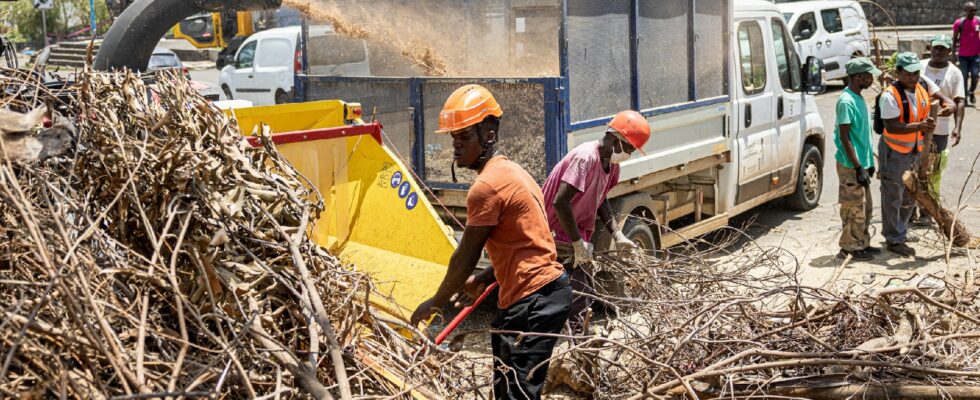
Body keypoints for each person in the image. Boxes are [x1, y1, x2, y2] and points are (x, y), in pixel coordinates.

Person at [410, 85, 571, 400]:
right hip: (541, 295)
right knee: (507, 387)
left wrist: (436, 302)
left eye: (464, 138)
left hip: (534, 300)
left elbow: (464, 257)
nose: (456, 148)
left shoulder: (487, 186)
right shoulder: (514, 172)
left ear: (489, 135)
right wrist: (482, 280)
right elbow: (524, 246)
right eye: (453, 138)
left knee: (517, 394)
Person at [541, 110, 649, 330]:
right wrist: (577, 243)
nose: (629, 154)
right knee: (579, 292)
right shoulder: (585, 158)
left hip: (572, 232)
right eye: (628, 148)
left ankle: (573, 338)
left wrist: (617, 234)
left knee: (578, 291)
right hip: (553, 232)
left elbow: (601, 199)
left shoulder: (612, 165)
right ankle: (578, 341)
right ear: (615, 138)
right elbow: (560, 202)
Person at [877, 52, 955, 258]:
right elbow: (892, 126)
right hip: (894, 152)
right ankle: (893, 238)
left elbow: (944, 100)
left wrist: (949, 106)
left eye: (916, 73)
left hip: (914, 151)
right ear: (899, 72)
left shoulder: (921, 88)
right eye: (909, 74)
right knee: (893, 194)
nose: (913, 77)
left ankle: (900, 231)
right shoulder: (890, 96)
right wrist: (920, 126)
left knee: (910, 194)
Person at [915, 34, 967, 226]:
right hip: (916, 127)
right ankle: (911, 208)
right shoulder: (919, 67)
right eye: (935, 48)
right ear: (931, 48)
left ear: (949, 52)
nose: (937, 52)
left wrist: (958, 127)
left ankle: (928, 210)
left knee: (933, 170)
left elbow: (959, 101)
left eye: (942, 49)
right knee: (914, 166)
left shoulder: (954, 73)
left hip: (940, 130)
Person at [834, 58, 881, 262]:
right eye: (869, 76)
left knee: (865, 207)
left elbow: (862, 135)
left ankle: (862, 242)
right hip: (851, 164)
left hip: (862, 163)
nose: (872, 79)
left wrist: (868, 164)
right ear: (859, 77)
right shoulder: (846, 101)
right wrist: (858, 166)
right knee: (853, 206)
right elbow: (845, 137)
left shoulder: (858, 97)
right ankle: (850, 246)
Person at [953, 2, 980, 105]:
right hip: (963, 55)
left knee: (975, 76)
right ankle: (964, 97)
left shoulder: (978, 21)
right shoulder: (959, 23)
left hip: (975, 55)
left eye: (975, 10)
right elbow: (954, 39)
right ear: (965, 11)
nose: (973, 12)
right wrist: (953, 55)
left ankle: (971, 91)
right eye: (971, 10)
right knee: (963, 77)